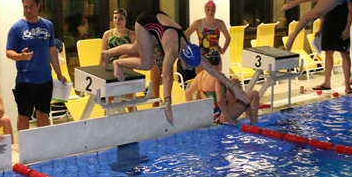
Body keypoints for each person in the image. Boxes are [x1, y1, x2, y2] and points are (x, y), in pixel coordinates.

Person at [100, 10, 251, 125]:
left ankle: (107, 54)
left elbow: (212, 70)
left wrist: (234, 88)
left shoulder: (191, 50)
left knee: (134, 48)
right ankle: (118, 63)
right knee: (146, 63)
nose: (189, 68)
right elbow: (167, 76)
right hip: (145, 22)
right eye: (188, 65)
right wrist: (168, 103)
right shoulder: (172, 50)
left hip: (159, 19)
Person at [5, 0, 67, 131]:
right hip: (25, 79)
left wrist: (59, 73)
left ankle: (42, 142)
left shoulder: (48, 25)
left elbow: (52, 50)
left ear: (38, 6)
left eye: (31, 6)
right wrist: (21, 56)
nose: (28, 10)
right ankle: (24, 142)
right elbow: (9, 52)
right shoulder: (16, 28)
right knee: (24, 115)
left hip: (45, 78)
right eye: (25, 7)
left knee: (43, 113)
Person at [313, 0, 352, 93]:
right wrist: (320, 28)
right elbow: (322, 9)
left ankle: (347, 84)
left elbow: (351, 9)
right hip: (328, 24)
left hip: (341, 24)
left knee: (344, 54)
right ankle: (327, 82)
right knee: (328, 52)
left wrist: (347, 28)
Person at [184, 69, 260, 125]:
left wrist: (193, 114)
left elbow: (188, 93)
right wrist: (230, 119)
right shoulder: (218, 76)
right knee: (254, 94)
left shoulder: (200, 75)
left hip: (211, 115)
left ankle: (247, 113)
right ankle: (254, 124)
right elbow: (220, 101)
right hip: (220, 116)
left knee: (234, 81)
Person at [184, 0, 231, 72]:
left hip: (216, 57)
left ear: (215, 11)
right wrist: (192, 49)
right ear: (205, 10)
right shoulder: (198, 23)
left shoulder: (220, 23)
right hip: (202, 58)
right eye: (208, 10)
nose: (210, 12)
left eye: (213, 10)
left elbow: (228, 38)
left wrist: (223, 50)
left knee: (216, 78)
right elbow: (184, 36)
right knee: (201, 78)